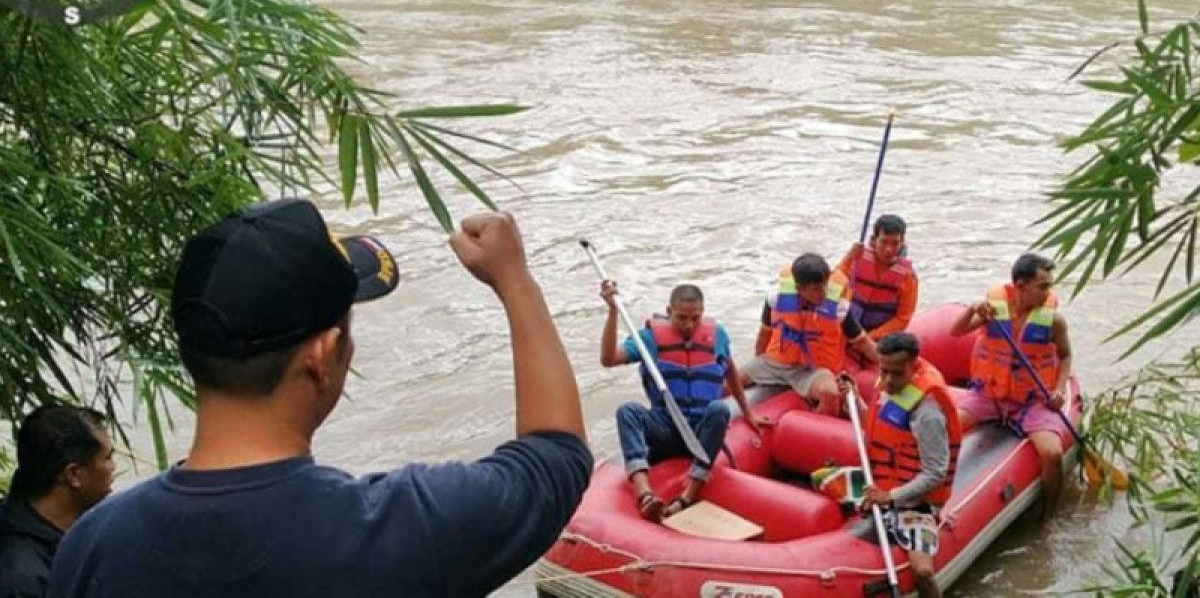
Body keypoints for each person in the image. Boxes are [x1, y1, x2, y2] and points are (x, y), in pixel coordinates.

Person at [49, 200, 591, 597]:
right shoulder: (399, 529)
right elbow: (556, 458)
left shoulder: (92, 548)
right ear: (324, 353)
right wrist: (515, 282)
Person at [600, 281, 770, 521]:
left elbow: (730, 371)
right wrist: (612, 311)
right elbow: (608, 359)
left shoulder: (717, 335)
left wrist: (747, 412)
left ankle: (687, 495)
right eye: (681, 318)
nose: (689, 325)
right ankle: (645, 494)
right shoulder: (649, 339)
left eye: (696, 318)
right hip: (666, 427)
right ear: (669, 312)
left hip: (700, 434)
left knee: (719, 409)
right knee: (627, 411)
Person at [950, 252, 1072, 520]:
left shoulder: (1054, 320)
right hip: (989, 395)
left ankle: (1048, 517)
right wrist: (972, 308)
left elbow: (1065, 356)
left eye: (1049, 286)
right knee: (945, 430)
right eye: (1042, 286)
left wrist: (1060, 389)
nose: (1047, 292)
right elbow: (956, 332)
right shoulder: (993, 311)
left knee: (1051, 453)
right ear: (1020, 286)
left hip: (1031, 400)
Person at [839, 333, 960, 598]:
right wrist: (855, 399)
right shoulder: (887, 385)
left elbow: (936, 472)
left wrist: (890, 497)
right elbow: (874, 426)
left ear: (913, 365)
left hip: (916, 504)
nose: (889, 380)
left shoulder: (927, 411)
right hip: (882, 484)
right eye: (884, 371)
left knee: (923, 572)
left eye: (897, 373)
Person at [741, 253, 879, 416]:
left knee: (831, 393)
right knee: (729, 380)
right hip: (777, 362)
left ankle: (815, 428)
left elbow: (862, 342)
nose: (823, 293)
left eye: (825, 286)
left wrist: (888, 362)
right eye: (816, 289)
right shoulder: (776, 298)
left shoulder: (838, 308)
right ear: (799, 289)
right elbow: (764, 333)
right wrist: (758, 361)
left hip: (813, 370)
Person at [0, 407, 114, 598]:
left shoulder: (71, 531)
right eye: (108, 458)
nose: (114, 467)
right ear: (74, 475)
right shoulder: (23, 580)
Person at [835, 214, 919, 340]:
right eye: (883, 242)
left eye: (895, 243)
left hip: (879, 337)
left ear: (902, 243)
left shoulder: (909, 277)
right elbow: (831, 287)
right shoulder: (857, 258)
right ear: (874, 240)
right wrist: (848, 257)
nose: (889, 250)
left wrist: (868, 338)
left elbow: (902, 319)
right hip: (847, 327)